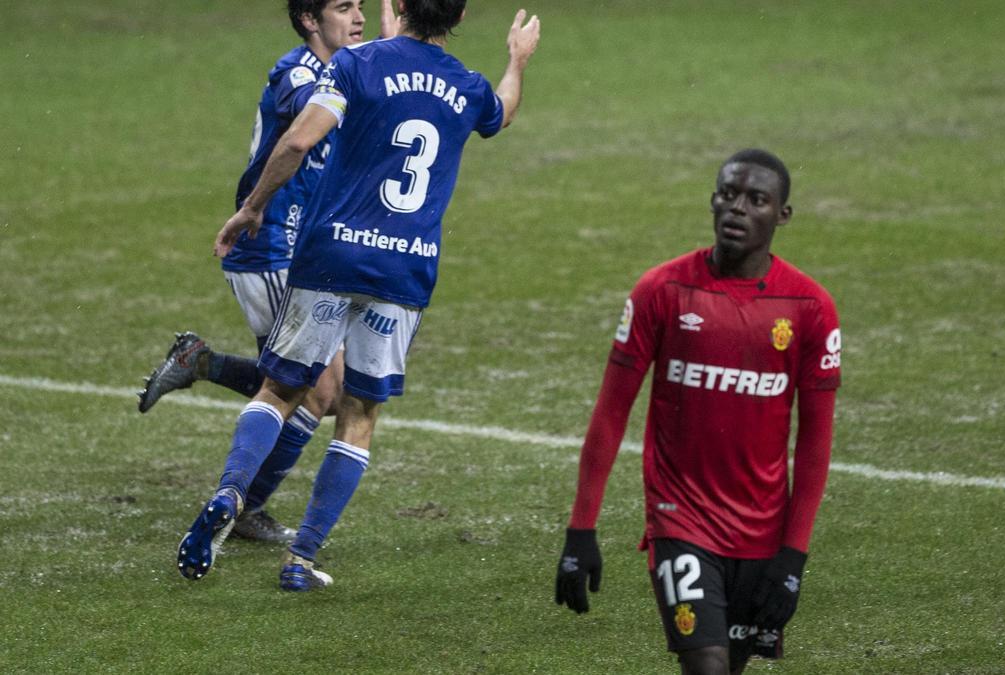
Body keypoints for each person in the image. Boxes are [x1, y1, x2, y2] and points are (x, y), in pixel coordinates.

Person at [176, 1, 541, 591]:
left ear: (400, 7)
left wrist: (251, 208)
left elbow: (297, 143)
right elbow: (503, 112)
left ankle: (230, 492)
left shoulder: (355, 64)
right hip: (404, 270)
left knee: (282, 387)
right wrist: (517, 58)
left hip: (331, 255)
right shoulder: (466, 86)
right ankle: (301, 561)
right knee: (358, 411)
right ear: (460, 14)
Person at [554, 150, 841, 674]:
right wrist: (581, 529)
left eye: (756, 199)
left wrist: (794, 557)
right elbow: (610, 414)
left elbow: (816, 442)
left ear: (782, 215)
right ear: (712, 200)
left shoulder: (809, 308)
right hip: (680, 521)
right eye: (728, 194)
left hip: (763, 533)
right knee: (705, 666)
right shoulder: (663, 291)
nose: (737, 208)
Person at [140, 0, 400, 543]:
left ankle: (201, 363)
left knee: (298, 385)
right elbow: (320, 111)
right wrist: (386, 58)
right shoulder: (297, 72)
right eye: (343, 7)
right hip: (268, 247)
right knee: (321, 391)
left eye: (359, 6)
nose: (356, 17)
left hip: (304, 250)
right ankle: (244, 507)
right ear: (310, 20)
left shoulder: (344, 71)